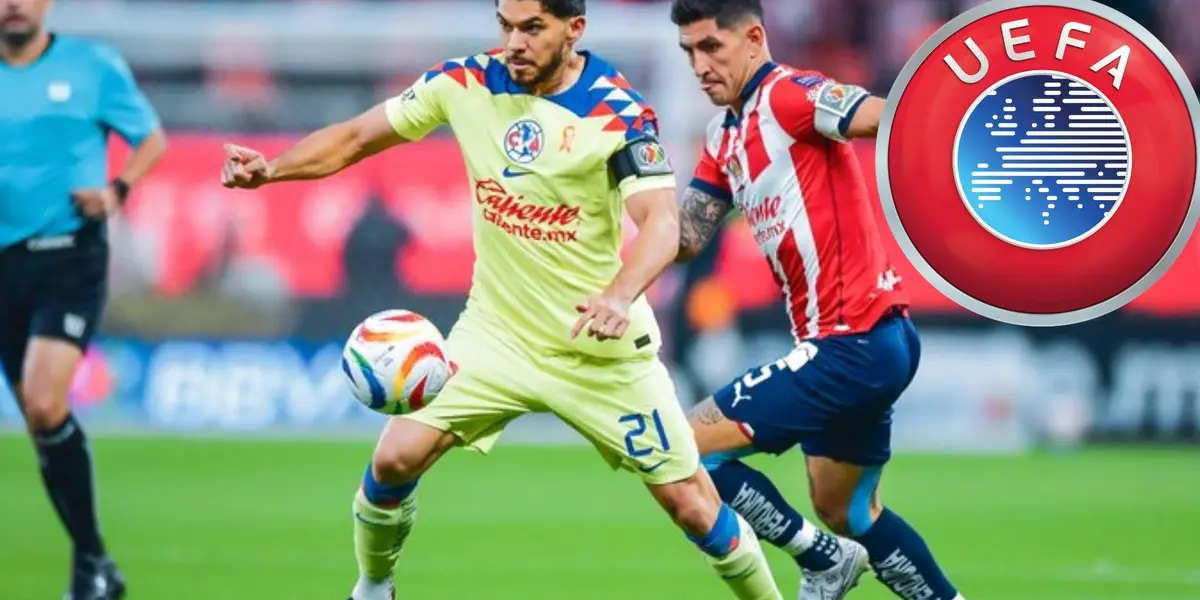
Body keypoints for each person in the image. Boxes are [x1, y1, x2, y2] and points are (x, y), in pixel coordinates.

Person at [221, 1, 783, 599]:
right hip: (497, 335)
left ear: (575, 30)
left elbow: (663, 225)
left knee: (693, 507)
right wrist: (273, 170)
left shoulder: (614, 110)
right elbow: (358, 137)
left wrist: (621, 295)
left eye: (533, 28)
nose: (515, 42)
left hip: (599, 348)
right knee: (392, 462)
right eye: (506, 26)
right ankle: (373, 588)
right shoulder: (462, 83)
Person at [669, 1, 966, 599]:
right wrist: (617, 189)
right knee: (848, 511)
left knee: (682, 448)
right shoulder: (724, 135)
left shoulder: (789, 96)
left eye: (711, 47)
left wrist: (966, 112)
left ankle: (822, 561)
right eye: (688, 52)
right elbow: (686, 239)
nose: (699, 65)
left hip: (851, 340)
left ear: (754, 37)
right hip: (869, 343)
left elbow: (876, 115)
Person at [0, 0, 167, 598]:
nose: (15, 5)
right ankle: (96, 567)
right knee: (40, 425)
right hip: (4, 264)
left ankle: (92, 562)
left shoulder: (92, 65)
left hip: (69, 252)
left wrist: (118, 189)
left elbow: (150, 138)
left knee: (46, 405)